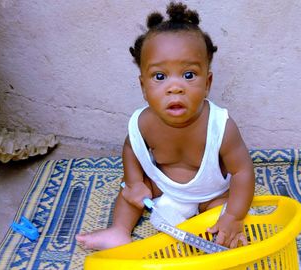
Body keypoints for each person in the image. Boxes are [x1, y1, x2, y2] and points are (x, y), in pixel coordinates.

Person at [76, 1, 255, 250]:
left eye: (189, 75)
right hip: (163, 189)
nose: (175, 87)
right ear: (143, 87)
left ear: (207, 83)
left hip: (210, 195)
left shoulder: (221, 126)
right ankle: (119, 231)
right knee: (130, 194)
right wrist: (135, 181)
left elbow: (242, 172)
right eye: (160, 77)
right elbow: (131, 148)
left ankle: (224, 233)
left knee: (224, 216)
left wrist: (233, 215)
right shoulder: (143, 123)